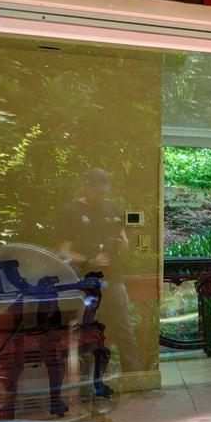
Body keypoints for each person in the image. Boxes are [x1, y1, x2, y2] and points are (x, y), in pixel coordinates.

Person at [56, 169, 126, 399]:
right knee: (85, 332)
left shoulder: (113, 208)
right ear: (85, 186)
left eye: (104, 191)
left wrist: (119, 242)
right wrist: (89, 260)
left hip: (113, 279)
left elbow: (125, 242)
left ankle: (136, 379)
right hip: (83, 283)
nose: (101, 196)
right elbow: (63, 252)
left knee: (125, 328)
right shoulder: (70, 211)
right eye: (96, 191)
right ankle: (86, 385)